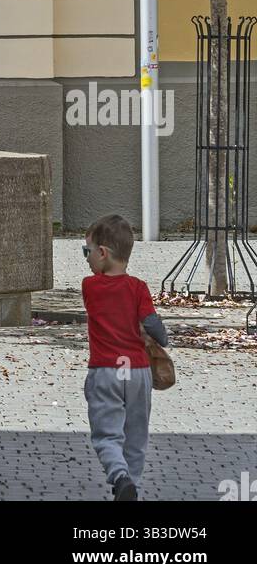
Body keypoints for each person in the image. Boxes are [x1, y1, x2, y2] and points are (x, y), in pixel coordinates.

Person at [82, 214, 170, 501]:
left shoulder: (90, 287)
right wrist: (162, 340)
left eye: (88, 251)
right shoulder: (139, 287)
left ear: (103, 253)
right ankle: (132, 483)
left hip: (106, 370)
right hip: (138, 371)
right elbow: (152, 322)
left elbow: (107, 298)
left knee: (107, 433)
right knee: (136, 436)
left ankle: (120, 477)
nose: (87, 259)